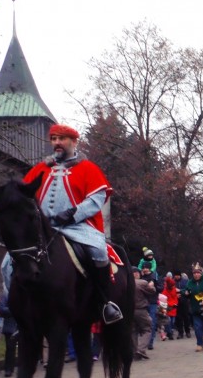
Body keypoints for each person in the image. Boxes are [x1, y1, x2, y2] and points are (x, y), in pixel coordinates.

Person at [13, 124, 122, 324]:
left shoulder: (88, 168)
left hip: (78, 227)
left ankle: (104, 303)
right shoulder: (39, 169)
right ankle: (18, 308)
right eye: (54, 139)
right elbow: (24, 196)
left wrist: (73, 214)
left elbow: (96, 199)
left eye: (61, 139)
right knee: (7, 263)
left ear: (73, 142)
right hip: (43, 230)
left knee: (99, 251)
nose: (57, 143)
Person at [132, 266, 154, 360]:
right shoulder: (142, 283)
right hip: (141, 310)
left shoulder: (125, 282)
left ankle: (134, 351)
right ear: (137, 273)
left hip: (129, 311)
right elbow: (152, 291)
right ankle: (141, 349)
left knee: (132, 331)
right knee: (147, 329)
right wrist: (152, 285)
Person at [141, 264, 162, 350]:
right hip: (142, 302)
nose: (145, 270)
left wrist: (155, 286)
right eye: (144, 268)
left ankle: (150, 342)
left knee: (152, 322)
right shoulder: (141, 277)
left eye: (146, 268)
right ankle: (143, 341)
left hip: (152, 302)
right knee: (143, 323)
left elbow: (161, 288)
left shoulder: (155, 277)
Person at [0, 292, 18, 377]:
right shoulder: (6, 296)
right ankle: (8, 369)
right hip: (10, 327)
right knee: (10, 348)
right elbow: (2, 309)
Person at [174, 272, 192, 339]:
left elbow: (188, 290)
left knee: (186, 317)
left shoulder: (185, 281)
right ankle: (180, 332)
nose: (177, 277)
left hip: (185, 301)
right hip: (176, 302)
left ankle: (188, 331)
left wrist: (181, 291)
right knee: (179, 318)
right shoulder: (173, 282)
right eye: (176, 275)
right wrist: (175, 295)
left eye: (178, 275)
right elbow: (171, 291)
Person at [161, 275, 178, 340]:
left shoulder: (173, 289)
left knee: (172, 321)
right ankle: (169, 333)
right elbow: (163, 299)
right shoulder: (165, 291)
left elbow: (175, 298)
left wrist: (175, 304)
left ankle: (170, 332)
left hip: (173, 307)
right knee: (169, 321)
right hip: (168, 307)